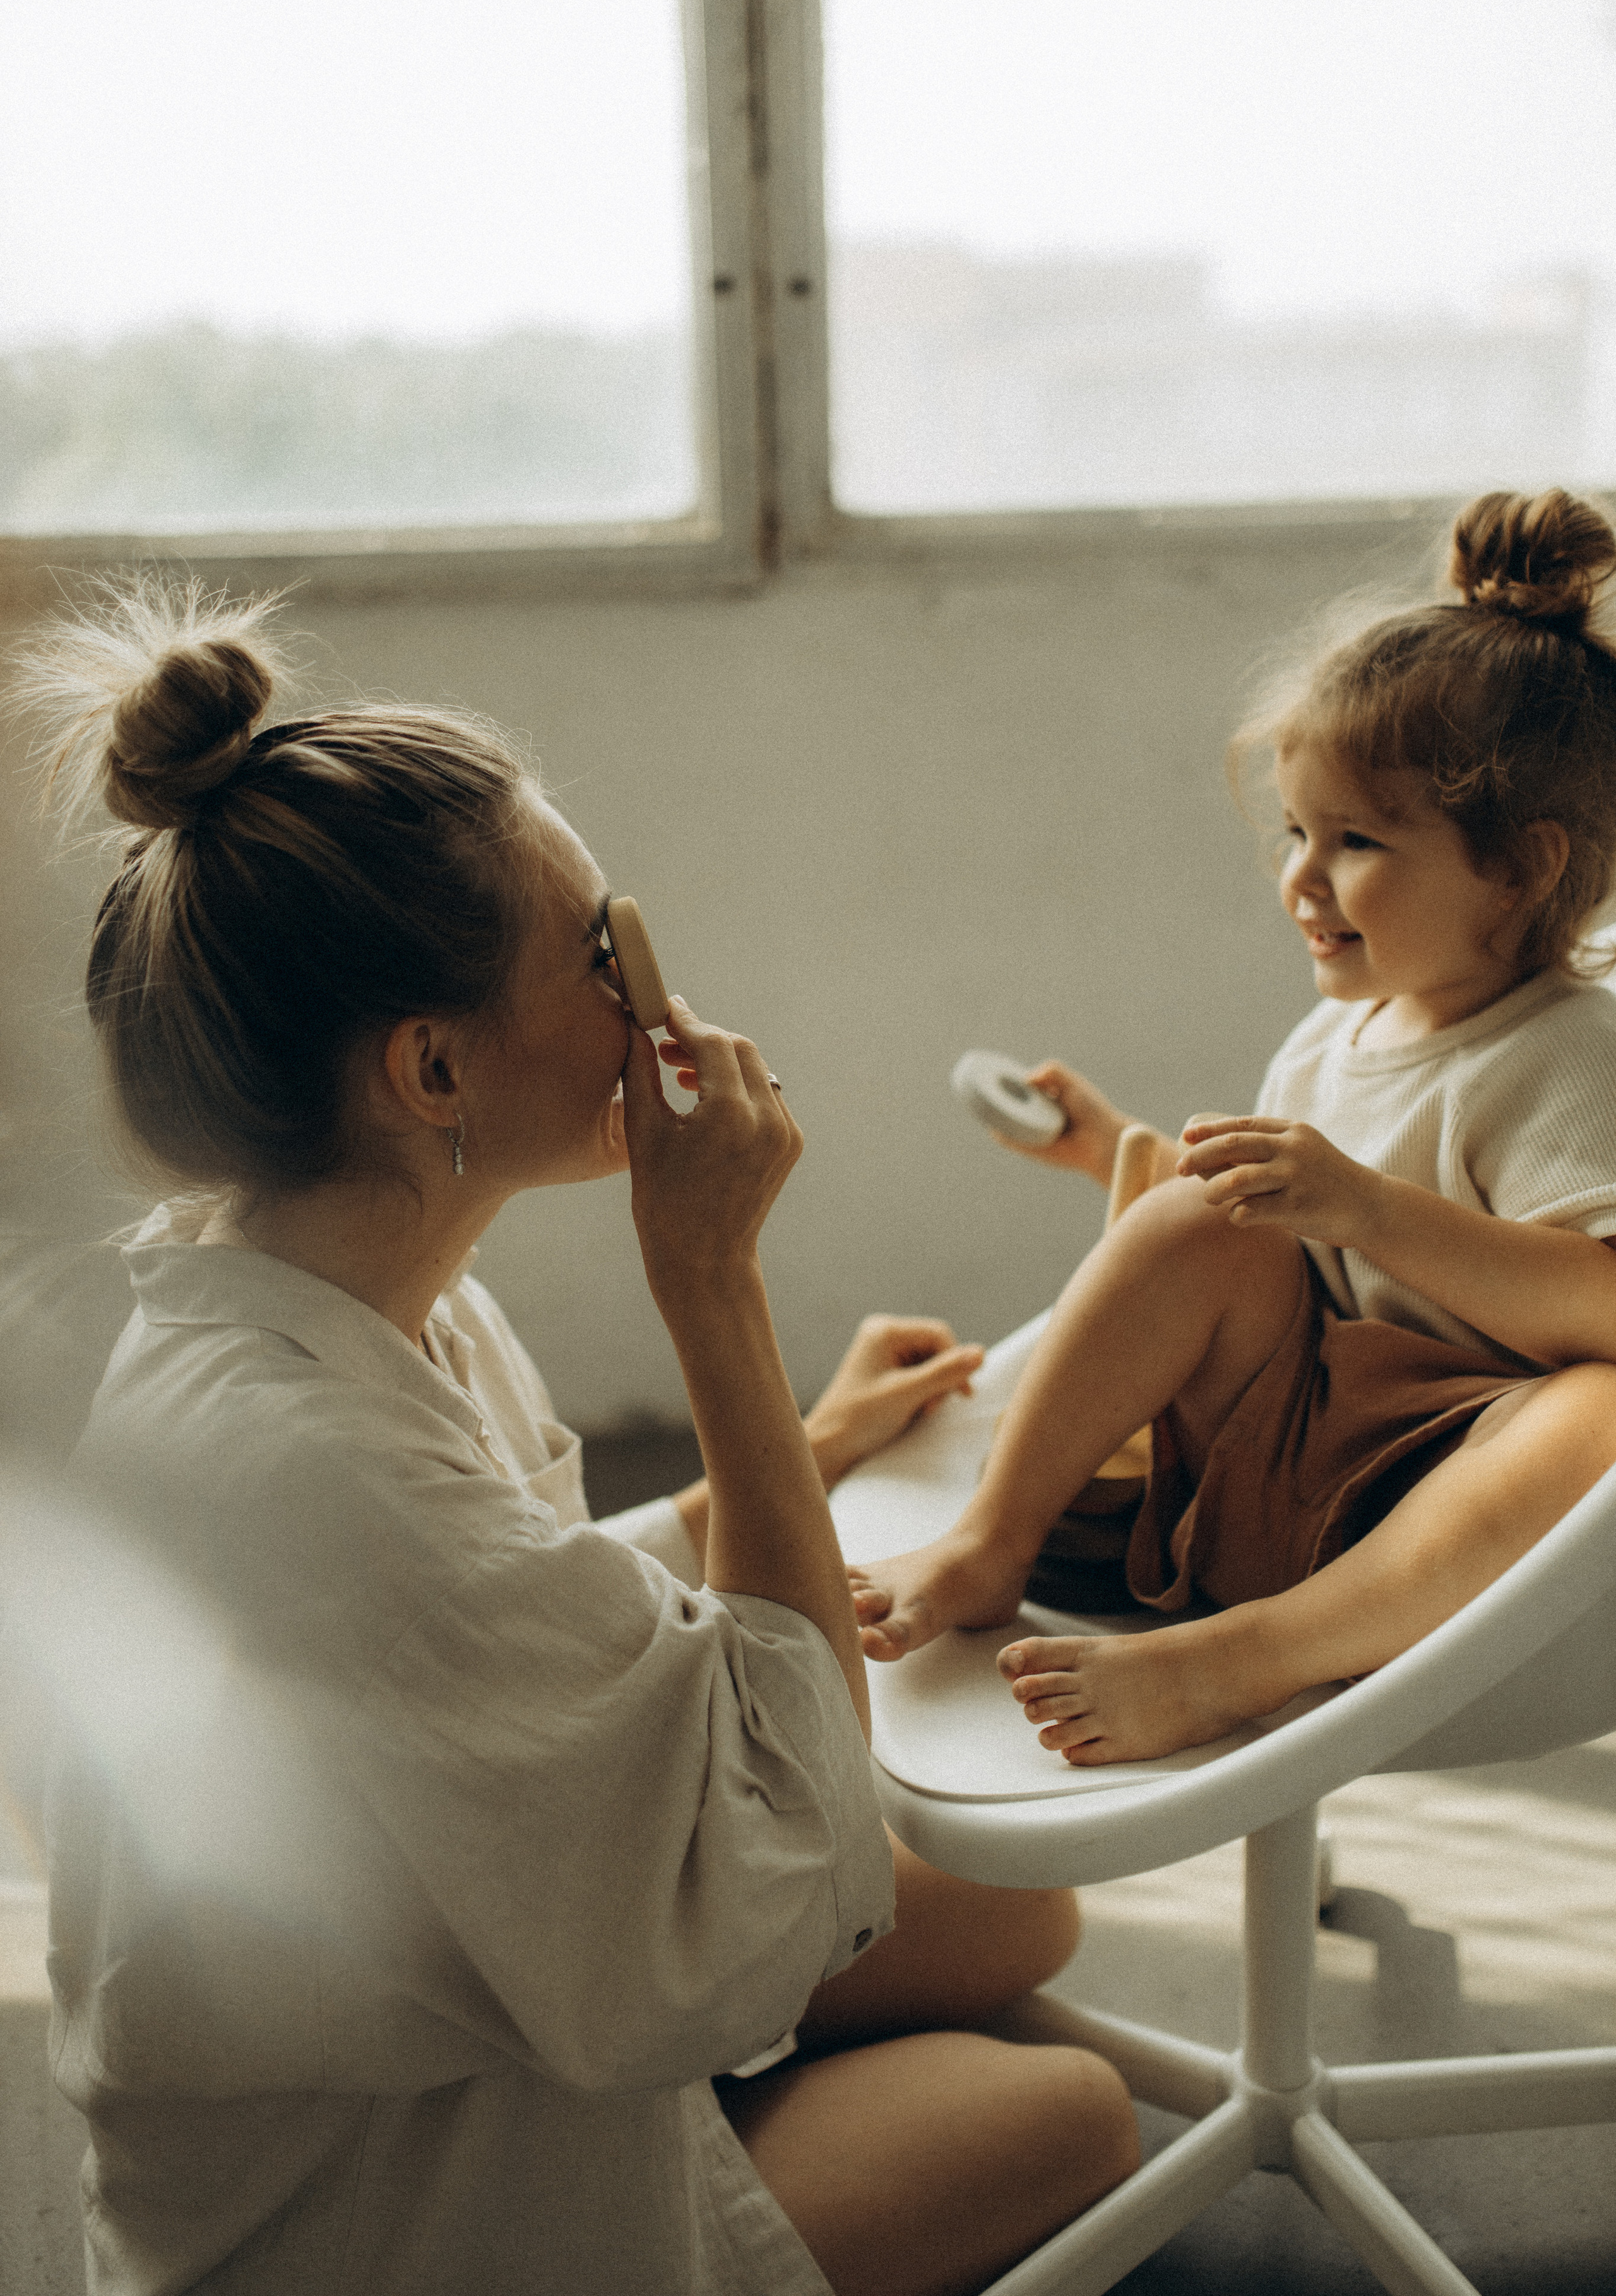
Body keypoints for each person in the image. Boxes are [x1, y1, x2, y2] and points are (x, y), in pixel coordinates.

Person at [11, 581, 1137, 2296]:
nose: (652, 993)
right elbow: (775, 1844)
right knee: (1068, 2106)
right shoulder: (306, 1460)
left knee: (1017, 1917)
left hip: (489, 1968)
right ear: (433, 1072)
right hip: (416, 2216)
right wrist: (715, 1298)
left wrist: (765, 1475)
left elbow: (495, 1600)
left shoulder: (346, 1298)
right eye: (600, 953)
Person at [848, 487, 1616, 1765]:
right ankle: (992, 1541)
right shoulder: (1340, 1032)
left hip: (1443, 1511)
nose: (1299, 881)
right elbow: (1285, 1248)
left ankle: (1242, 1662)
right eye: (1295, 833)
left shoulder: (1560, 1055)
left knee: (1599, 1413)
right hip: (1271, 1462)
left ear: (1524, 866)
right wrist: (1115, 1157)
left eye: (1356, 841)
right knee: (1208, 1215)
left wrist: (1366, 1208)